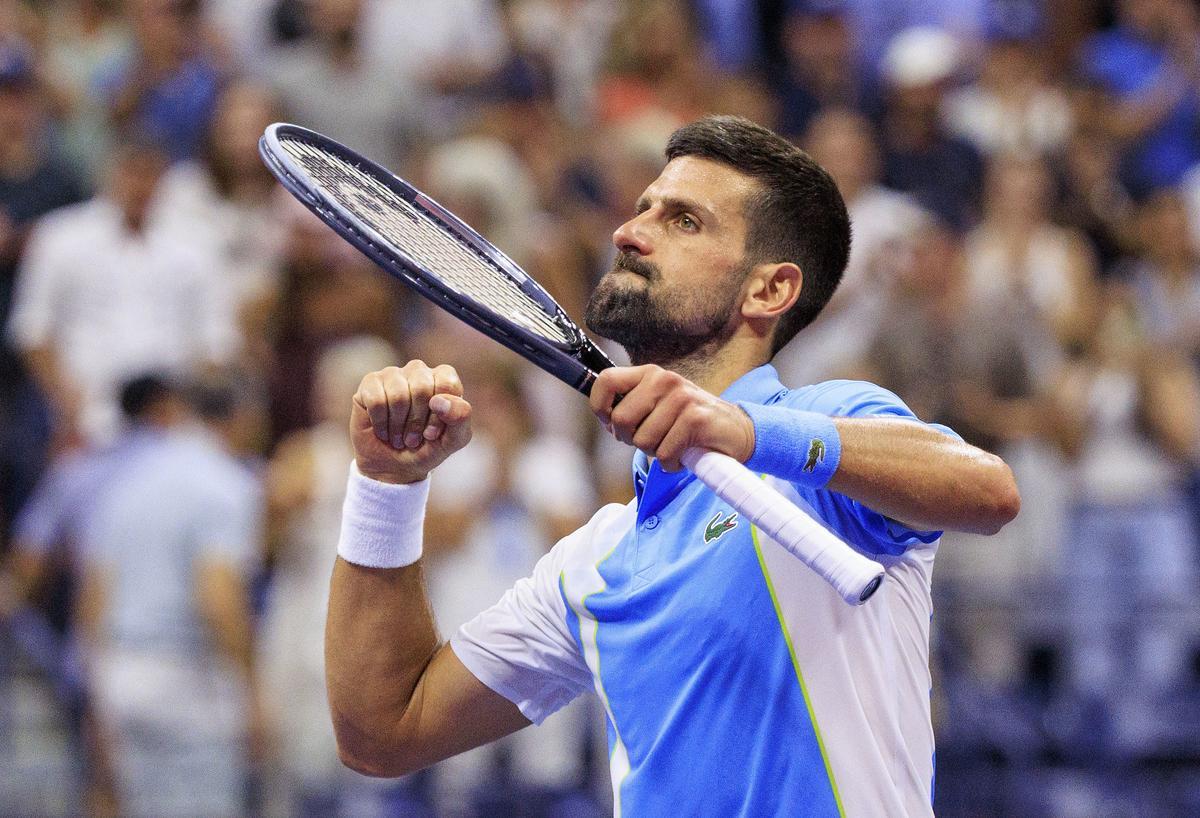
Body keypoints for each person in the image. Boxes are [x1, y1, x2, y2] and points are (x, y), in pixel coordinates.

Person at [325, 116, 1020, 816]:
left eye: (684, 221)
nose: (630, 233)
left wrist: (746, 431)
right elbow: (384, 731)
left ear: (768, 291)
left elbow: (986, 490)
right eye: (642, 210)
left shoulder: (820, 444)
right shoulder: (593, 562)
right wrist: (387, 486)